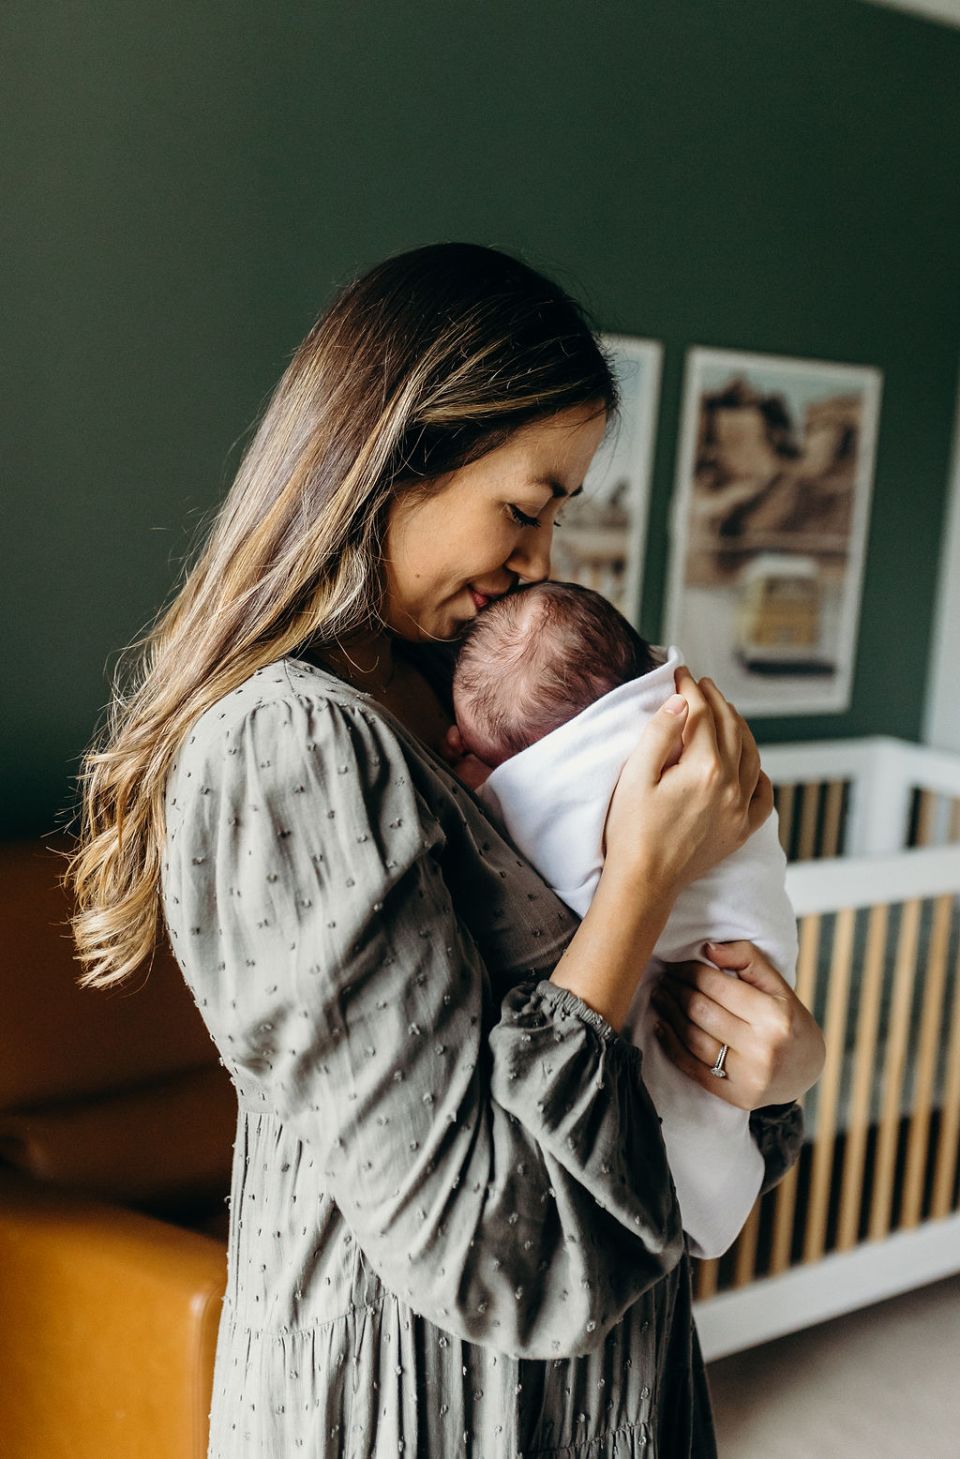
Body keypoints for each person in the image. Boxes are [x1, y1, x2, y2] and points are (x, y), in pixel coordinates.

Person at [68, 242, 825, 1458]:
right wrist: (643, 873)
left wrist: (775, 1078)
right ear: (394, 456)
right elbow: (492, 1250)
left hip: (616, 1392)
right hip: (425, 1409)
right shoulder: (291, 745)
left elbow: (654, 1134)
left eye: (556, 518)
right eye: (523, 508)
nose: (538, 561)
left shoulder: (482, 715)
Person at [445, 579, 799, 1259]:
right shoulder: (676, 708)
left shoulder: (579, 775)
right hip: (748, 947)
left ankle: (703, 1199)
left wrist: (486, 790)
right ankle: (716, 1192)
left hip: (710, 964)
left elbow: (564, 865)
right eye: (524, 510)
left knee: (678, 1100)